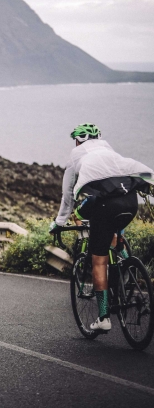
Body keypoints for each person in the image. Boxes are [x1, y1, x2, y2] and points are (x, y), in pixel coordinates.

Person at [49, 123, 153, 332]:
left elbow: (68, 195)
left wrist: (59, 223)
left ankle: (103, 316)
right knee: (114, 235)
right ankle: (124, 268)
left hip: (106, 206)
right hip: (130, 203)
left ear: (79, 140)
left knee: (98, 260)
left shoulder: (76, 155)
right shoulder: (109, 150)